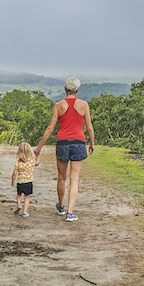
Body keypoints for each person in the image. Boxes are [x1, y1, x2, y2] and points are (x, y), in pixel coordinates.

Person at [34, 77, 95, 222]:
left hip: (62, 143)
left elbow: (50, 129)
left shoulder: (58, 106)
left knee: (62, 177)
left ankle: (61, 206)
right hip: (79, 143)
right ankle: (70, 212)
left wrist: (39, 147)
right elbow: (89, 127)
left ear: (65, 89)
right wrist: (92, 143)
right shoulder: (84, 105)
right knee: (74, 178)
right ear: (77, 90)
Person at [11, 142, 38, 217]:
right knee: (27, 197)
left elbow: (14, 173)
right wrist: (37, 156)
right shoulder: (31, 161)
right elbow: (37, 163)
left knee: (18, 195)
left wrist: (12, 181)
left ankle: (19, 204)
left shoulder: (18, 162)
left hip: (20, 182)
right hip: (28, 182)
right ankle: (25, 212)